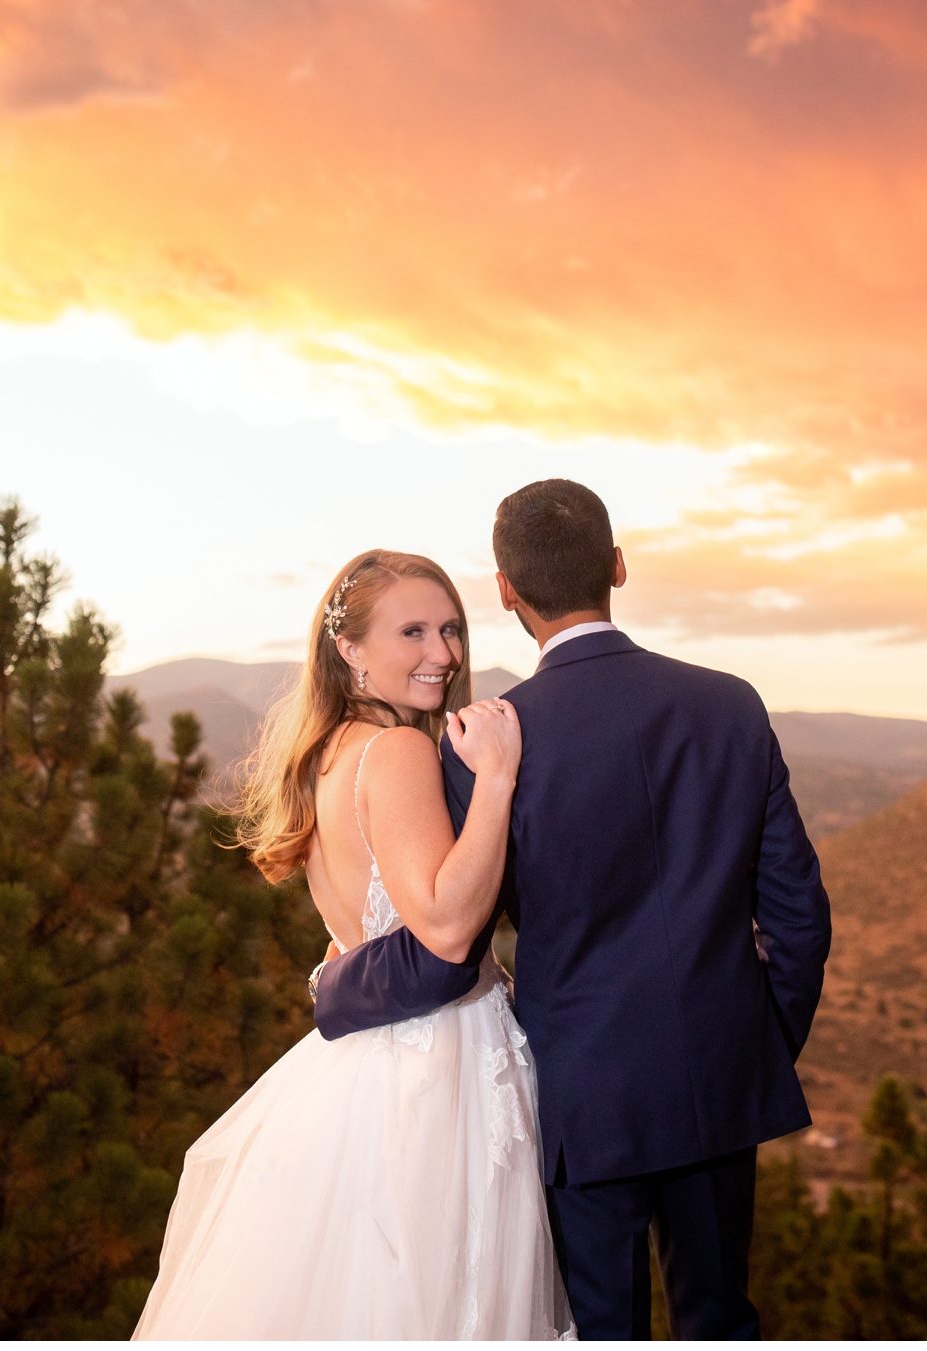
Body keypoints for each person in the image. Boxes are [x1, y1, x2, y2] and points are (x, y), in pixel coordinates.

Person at [313, 480, 832, 1340]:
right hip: (717, 1079)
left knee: (599, 1326)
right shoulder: (731, 703)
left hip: (577, 1095)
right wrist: (755, 1042)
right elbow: (799, 916)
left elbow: (451, 938)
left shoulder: (489, 737)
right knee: (718, 1317)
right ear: (617, 567)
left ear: (507, 589)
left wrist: (336, 988)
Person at [132, 548, 574, 1340]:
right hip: (437, 1066)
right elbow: (444, 923)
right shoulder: (397, 749)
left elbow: (368, 924)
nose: (443, 653)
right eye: (412, 631)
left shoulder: (325, 754)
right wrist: (498, 779)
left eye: (449, 628)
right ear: (350, 649)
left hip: (360, 1064)